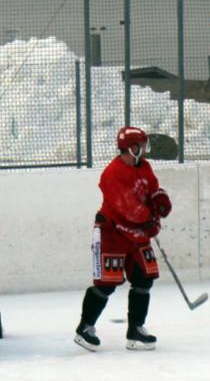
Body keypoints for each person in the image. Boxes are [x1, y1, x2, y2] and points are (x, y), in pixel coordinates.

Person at [74, 125, 172, 351]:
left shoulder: (144, 166)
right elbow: (127, 207)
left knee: (144, 278)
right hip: (112, 232)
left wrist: (160, 199)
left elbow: (152, 189)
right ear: (131, 147)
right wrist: (149, 218)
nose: (145, 150)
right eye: (141, 145)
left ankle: (135, 329)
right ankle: (84, 328)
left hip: (137, 233)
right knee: (107, 283)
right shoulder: (112, 173)